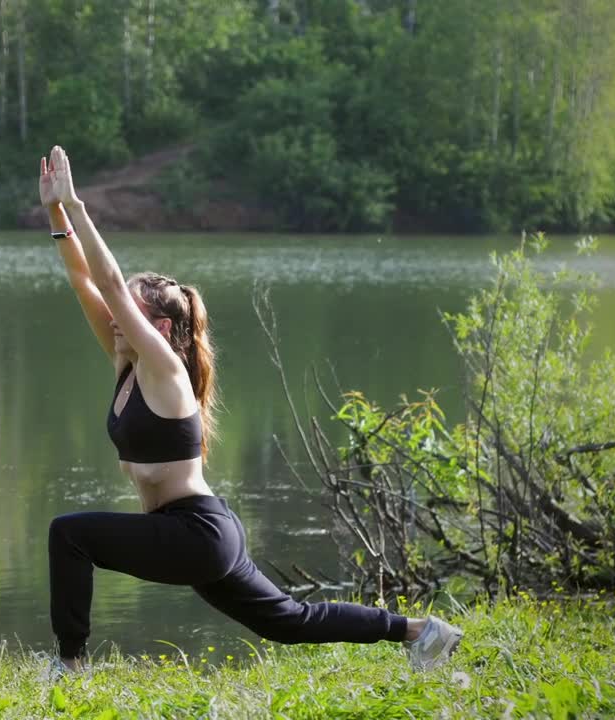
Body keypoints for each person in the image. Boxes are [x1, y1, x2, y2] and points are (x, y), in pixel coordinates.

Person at [37, 145, 462, 673]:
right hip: (201, 532)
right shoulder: (125, 361)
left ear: (162, 330)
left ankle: (70, 665)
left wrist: (78, 205)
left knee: (69, 534)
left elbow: (107, 285)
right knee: (290, 622)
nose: (115, 314)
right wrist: (55, 214)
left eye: (130, 308)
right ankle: (423, 633)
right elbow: (86, 283)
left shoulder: (165, 373)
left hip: (195, 532)